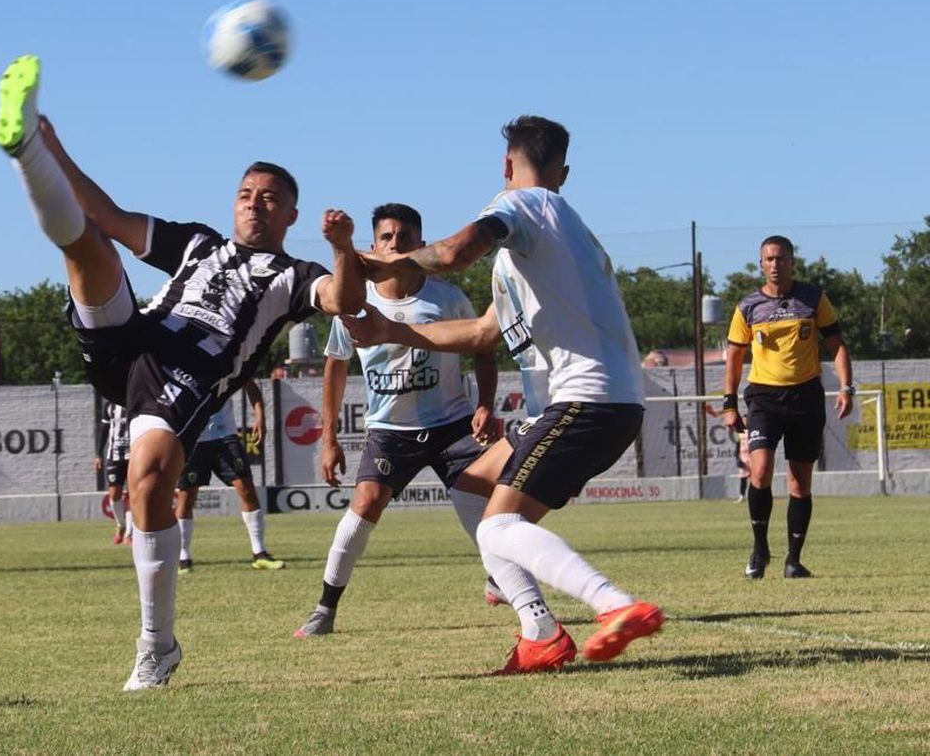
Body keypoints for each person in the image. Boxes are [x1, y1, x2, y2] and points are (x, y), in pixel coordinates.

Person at [0, 55, 366, 690]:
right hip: (136, 339)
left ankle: (157, 646)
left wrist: (343, 247)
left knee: (148, 483)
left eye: (270, 199)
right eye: (246, 195)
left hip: (190, 373)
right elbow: (108, 214)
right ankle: (26, 148)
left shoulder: (293, 275)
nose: (255, 205)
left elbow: (346, 300)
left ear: (290, 216)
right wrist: (54, 148)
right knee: (89, 246)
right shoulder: (197, 243)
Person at [348, 115, 663, 673]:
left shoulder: (526, 204)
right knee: (471, 487)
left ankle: (615, 605)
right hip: (595, 405)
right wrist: (390, 330)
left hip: (585, 402)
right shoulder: (548, 245)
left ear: (506, 165)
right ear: (564, 171)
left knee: (497, 525)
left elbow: (454, 252)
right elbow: (481, 334)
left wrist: (385, 262)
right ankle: (540, 633)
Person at [295, 202, 535, 639]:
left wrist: (485, 404)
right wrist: (328, 438)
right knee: (365, 504)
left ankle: (509, 589)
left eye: (404, 237)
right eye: (386, 237)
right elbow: (336, 367)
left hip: (452, 425)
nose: (395, 244)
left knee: (488, 506)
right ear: (373, 246)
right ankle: (324, 608)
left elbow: (482, 350)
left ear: (420, 245)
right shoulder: (354, 301)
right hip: (390, 431)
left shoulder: (446, 297)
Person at [721, 235, 854, 580]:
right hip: (764, 398)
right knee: (760, 470)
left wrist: (846, 387)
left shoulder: (813, 299)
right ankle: (759, 548)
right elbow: (734, 357)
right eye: (769, 259)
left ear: (792, 261)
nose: (775, 264)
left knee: (799, 482)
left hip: (805, 397)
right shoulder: (748, 306)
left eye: (781, 258)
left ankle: (794, 561)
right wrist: (729, 402)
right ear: (761, 264)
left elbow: (837, 345)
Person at [176, 378, 284, 571]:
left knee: (247, 489)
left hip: (225, 435)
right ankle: (183, 558)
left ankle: (259, 553)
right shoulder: (184, 366)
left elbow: (250, 385)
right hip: (194, 438)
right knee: (187, 496)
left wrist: (260, 416)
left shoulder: (227, 361)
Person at [96, 400, 131, 544]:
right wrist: (98, 454)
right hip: (114, 455)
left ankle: (129, 533)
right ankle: (121, 525)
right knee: (114, 493)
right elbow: (104, 429)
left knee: (133, 494)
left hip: (135, 454)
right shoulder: (109, 404)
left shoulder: (137, 400)